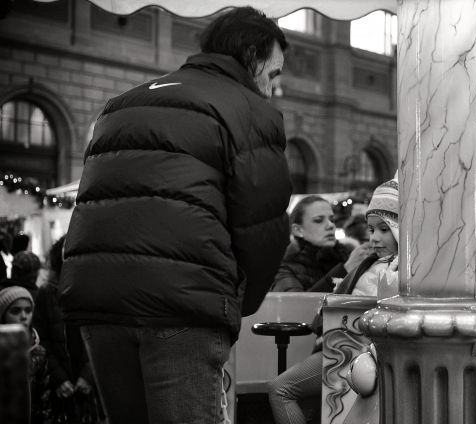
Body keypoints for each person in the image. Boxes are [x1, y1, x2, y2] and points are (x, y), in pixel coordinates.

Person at [59, 7, 292, 423]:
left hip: (98, 303)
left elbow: (94, 205)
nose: (277, 90)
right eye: (274, 75)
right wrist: (236, 304)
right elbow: (263, 230)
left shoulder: (120, 105)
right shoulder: (250, 111)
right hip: (182, 309)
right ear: (252, 57)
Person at [268, 179, 399, 424]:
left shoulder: (375, 263)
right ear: (297, 229)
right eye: (371, 230)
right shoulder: (358, 261)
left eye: (384, 229)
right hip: (341, 344)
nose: (329, 226)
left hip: (354, 348)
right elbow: (301, 300)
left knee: (282, 389)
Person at [33, 236, 103, 423]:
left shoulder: (94, 292)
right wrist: (58, 378)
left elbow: (101, 337)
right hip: (60, 387)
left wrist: (89, 375)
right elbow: (41, 339)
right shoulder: (46, 295)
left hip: (89, 387)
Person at [271, 196, 370, 292]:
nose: (330, 225)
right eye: (318, 220)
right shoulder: (284, 268)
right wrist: (344, 270)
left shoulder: (346, 255)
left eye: (332, 219)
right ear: (297, 230)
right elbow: (295, 306)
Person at [0, 286, 50, 423]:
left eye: (28, 311)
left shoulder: (39, 352)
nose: (23, 317)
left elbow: (45, 401)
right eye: (15, 311)